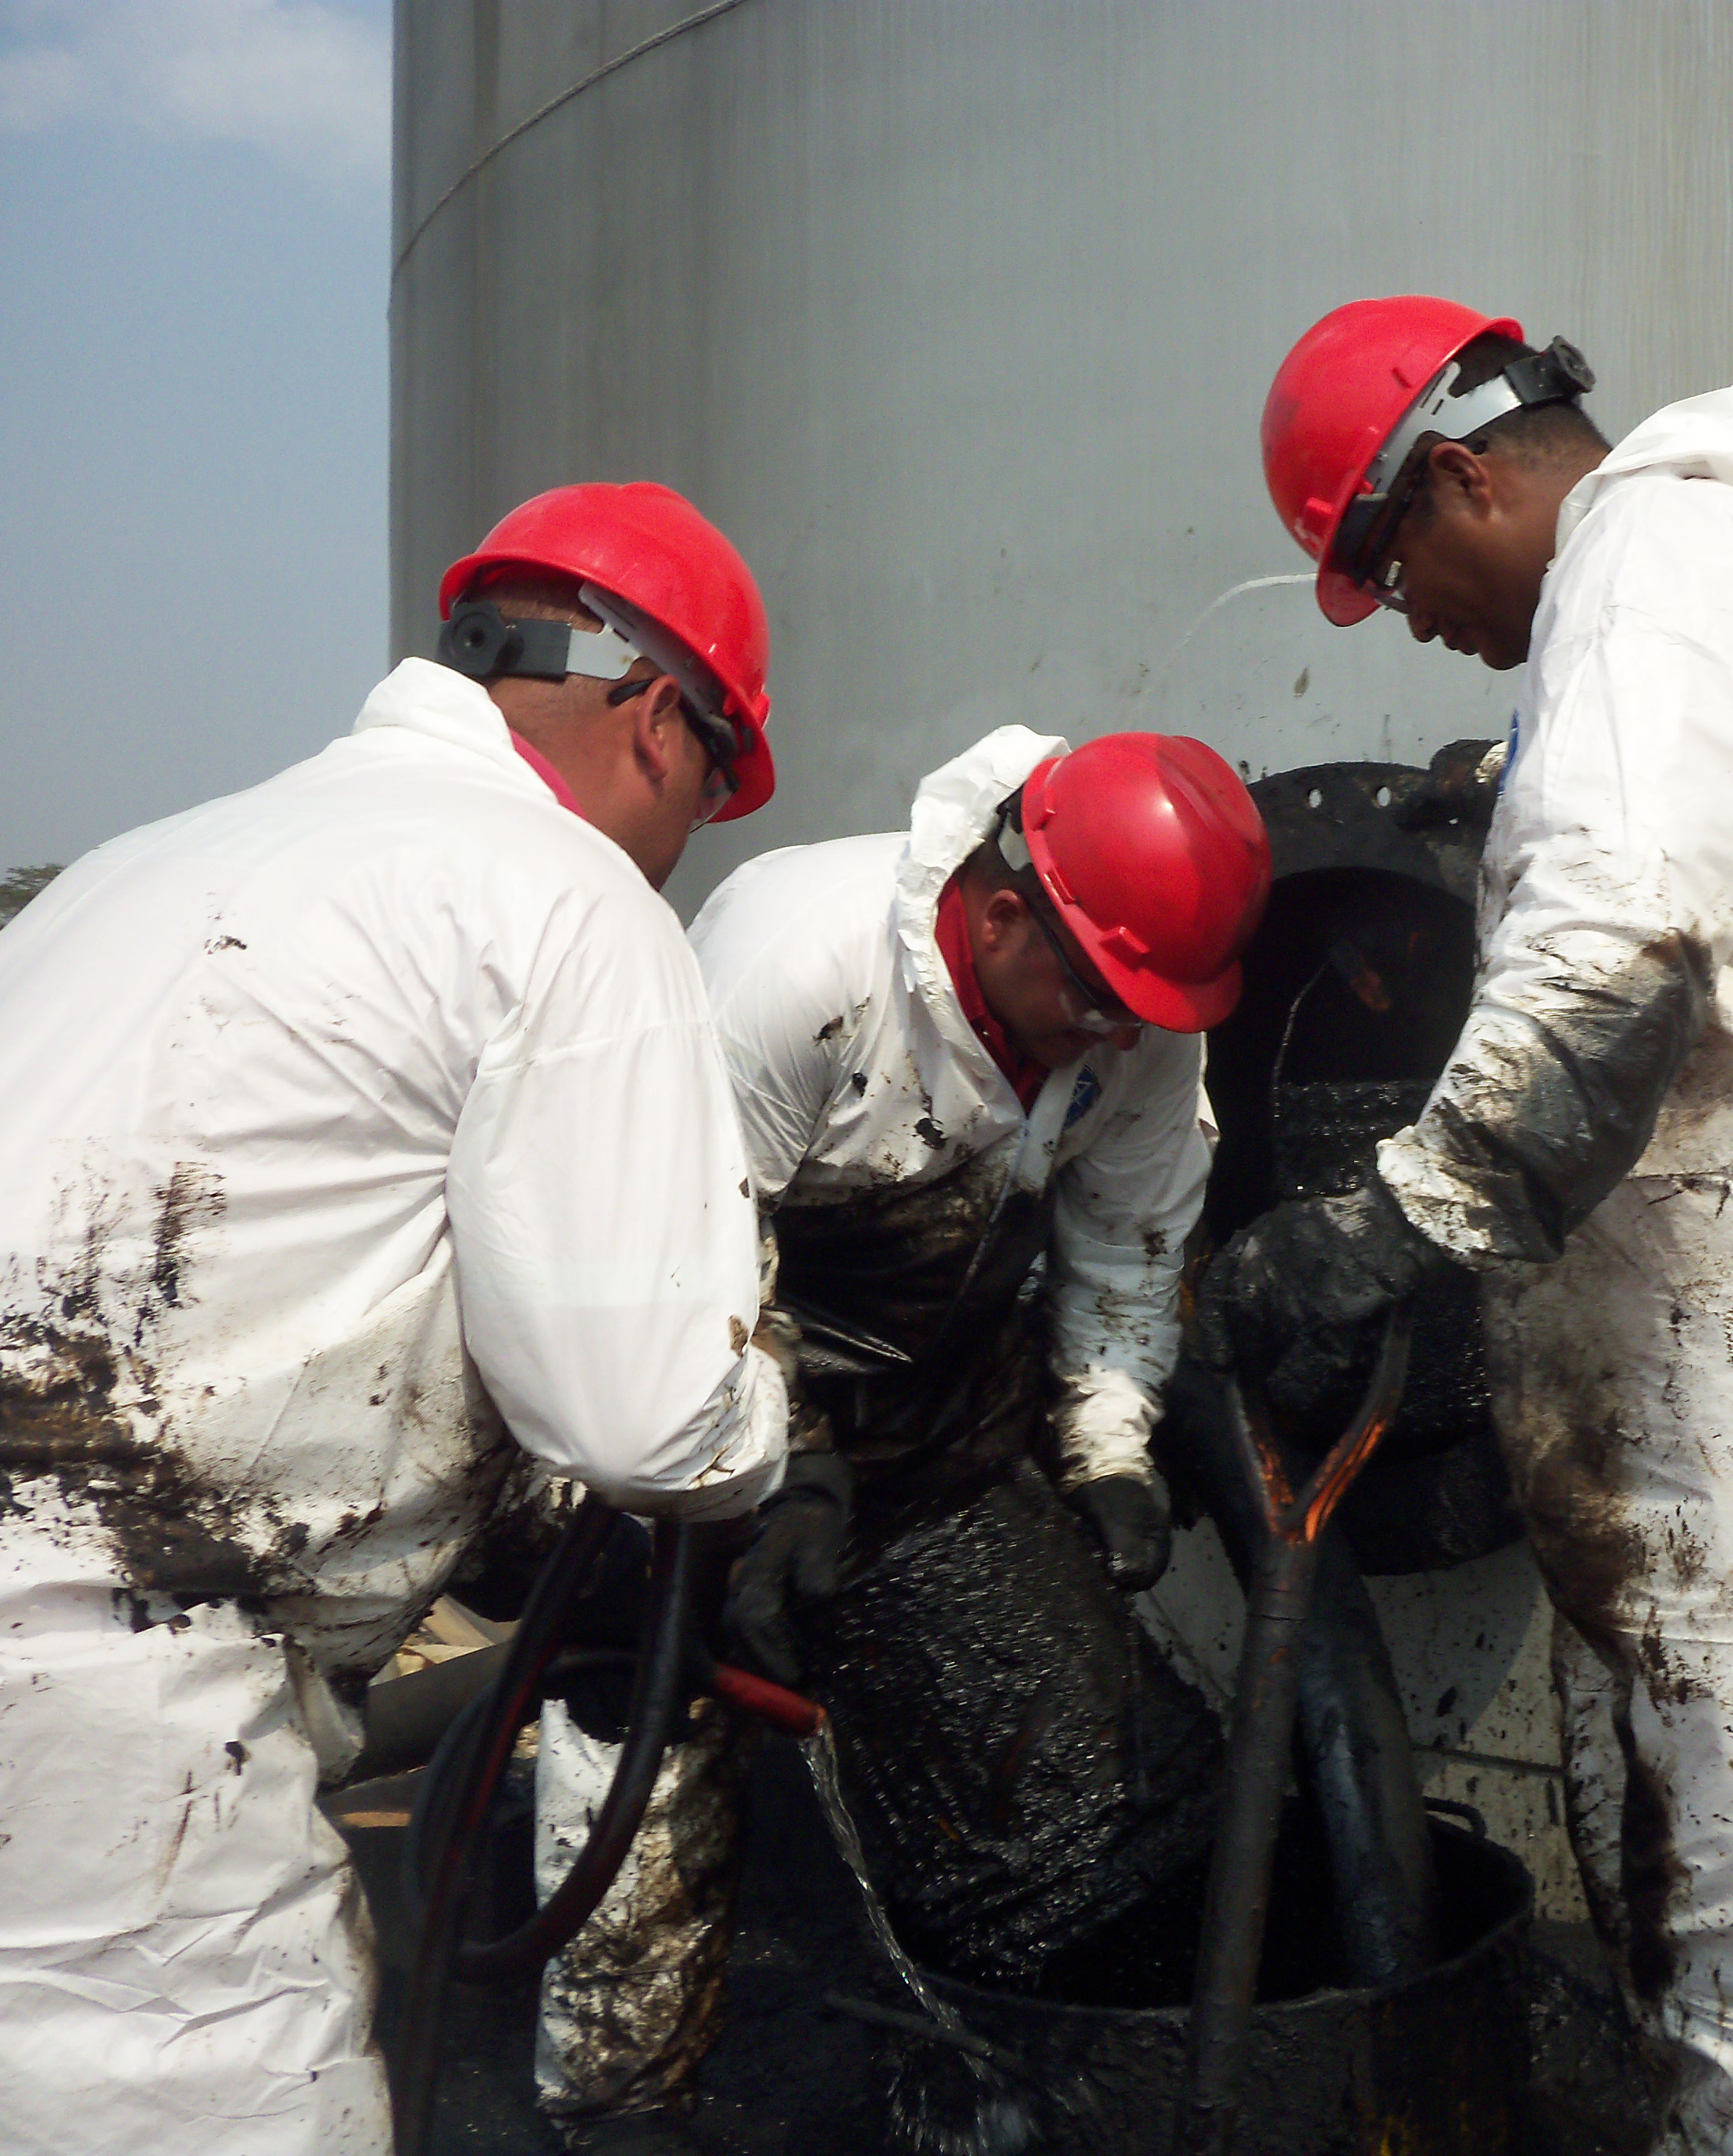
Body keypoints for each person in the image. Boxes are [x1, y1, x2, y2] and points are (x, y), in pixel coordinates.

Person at [1213, 299, 1733, 2156]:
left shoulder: (1650, 561)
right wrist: (1506, 803)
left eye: (1388, 562)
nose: (1408, 612)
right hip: (1713, 1423)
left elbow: (1623, 957)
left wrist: (1380, 1227)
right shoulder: (1657, 584)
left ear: (1467, 476)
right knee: (1700, 1958)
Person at [0, 481, 794, 2156]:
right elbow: (645, 1417)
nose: (688, 848)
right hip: (77, 1744)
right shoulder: (565, 896)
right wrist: (766, 1440)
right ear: (662, 722)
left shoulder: (145, 864)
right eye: (711, 798)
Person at [532, 726, 1270, 2154]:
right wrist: (778, 1466)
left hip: (944, 1409)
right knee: (660, 1713)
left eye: (1145, 1014)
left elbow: (1124, 1247)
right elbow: (682, 1249)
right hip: (697, 1387)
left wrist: (1108, 1446)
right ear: (999, 914)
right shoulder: (794, 967)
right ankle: (617, 2102)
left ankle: (1003, 2065)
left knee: (1065, 1829)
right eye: (1098, 997)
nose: (1118, 1037)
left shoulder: (1136, 1029)